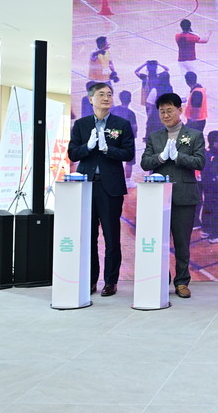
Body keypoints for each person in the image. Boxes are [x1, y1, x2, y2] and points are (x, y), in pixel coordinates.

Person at [67, 82, 135, 297]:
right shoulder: (81, 125)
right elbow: (72, 154)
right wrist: (87, 147)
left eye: (109, 94)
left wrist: (108, 149)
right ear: (91, 99)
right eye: (101, 94)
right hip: (86, 186)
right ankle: (90, 279)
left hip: (111, 188)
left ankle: (111, 281)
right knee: (88, 236)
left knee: (112, 236)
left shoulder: (121, 124)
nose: (106, 98)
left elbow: (129, 154)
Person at [140, 92, 205, 298]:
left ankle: (182, 282)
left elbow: (200, 162)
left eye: (170, 110)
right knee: (159, 241)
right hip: (158, 198)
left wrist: (178, 157)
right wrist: (160, 157)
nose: (166, 115)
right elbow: (145, 163)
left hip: (184, 195)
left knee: (182, 242)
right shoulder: (154, 137)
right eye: (162, 112)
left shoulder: (194, 135)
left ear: (180, 110)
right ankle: (161, 278)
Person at [201, 130, 218, 243]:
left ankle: (205, 231)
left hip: (206, 187)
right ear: (215, 142)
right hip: (216, 189)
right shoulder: (216, 158)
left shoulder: (205, 152)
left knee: (207, 208)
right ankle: (214, 236)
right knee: (217, 211)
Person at [111, 90, 138, 186]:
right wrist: (134, 135)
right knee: (129, 161)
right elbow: (134, 127)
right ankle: (127, 181)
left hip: (115, 137)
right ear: (130, 100)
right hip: (127, 139)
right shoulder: (131, 113)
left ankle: (114, 179)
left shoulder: (113, 110)